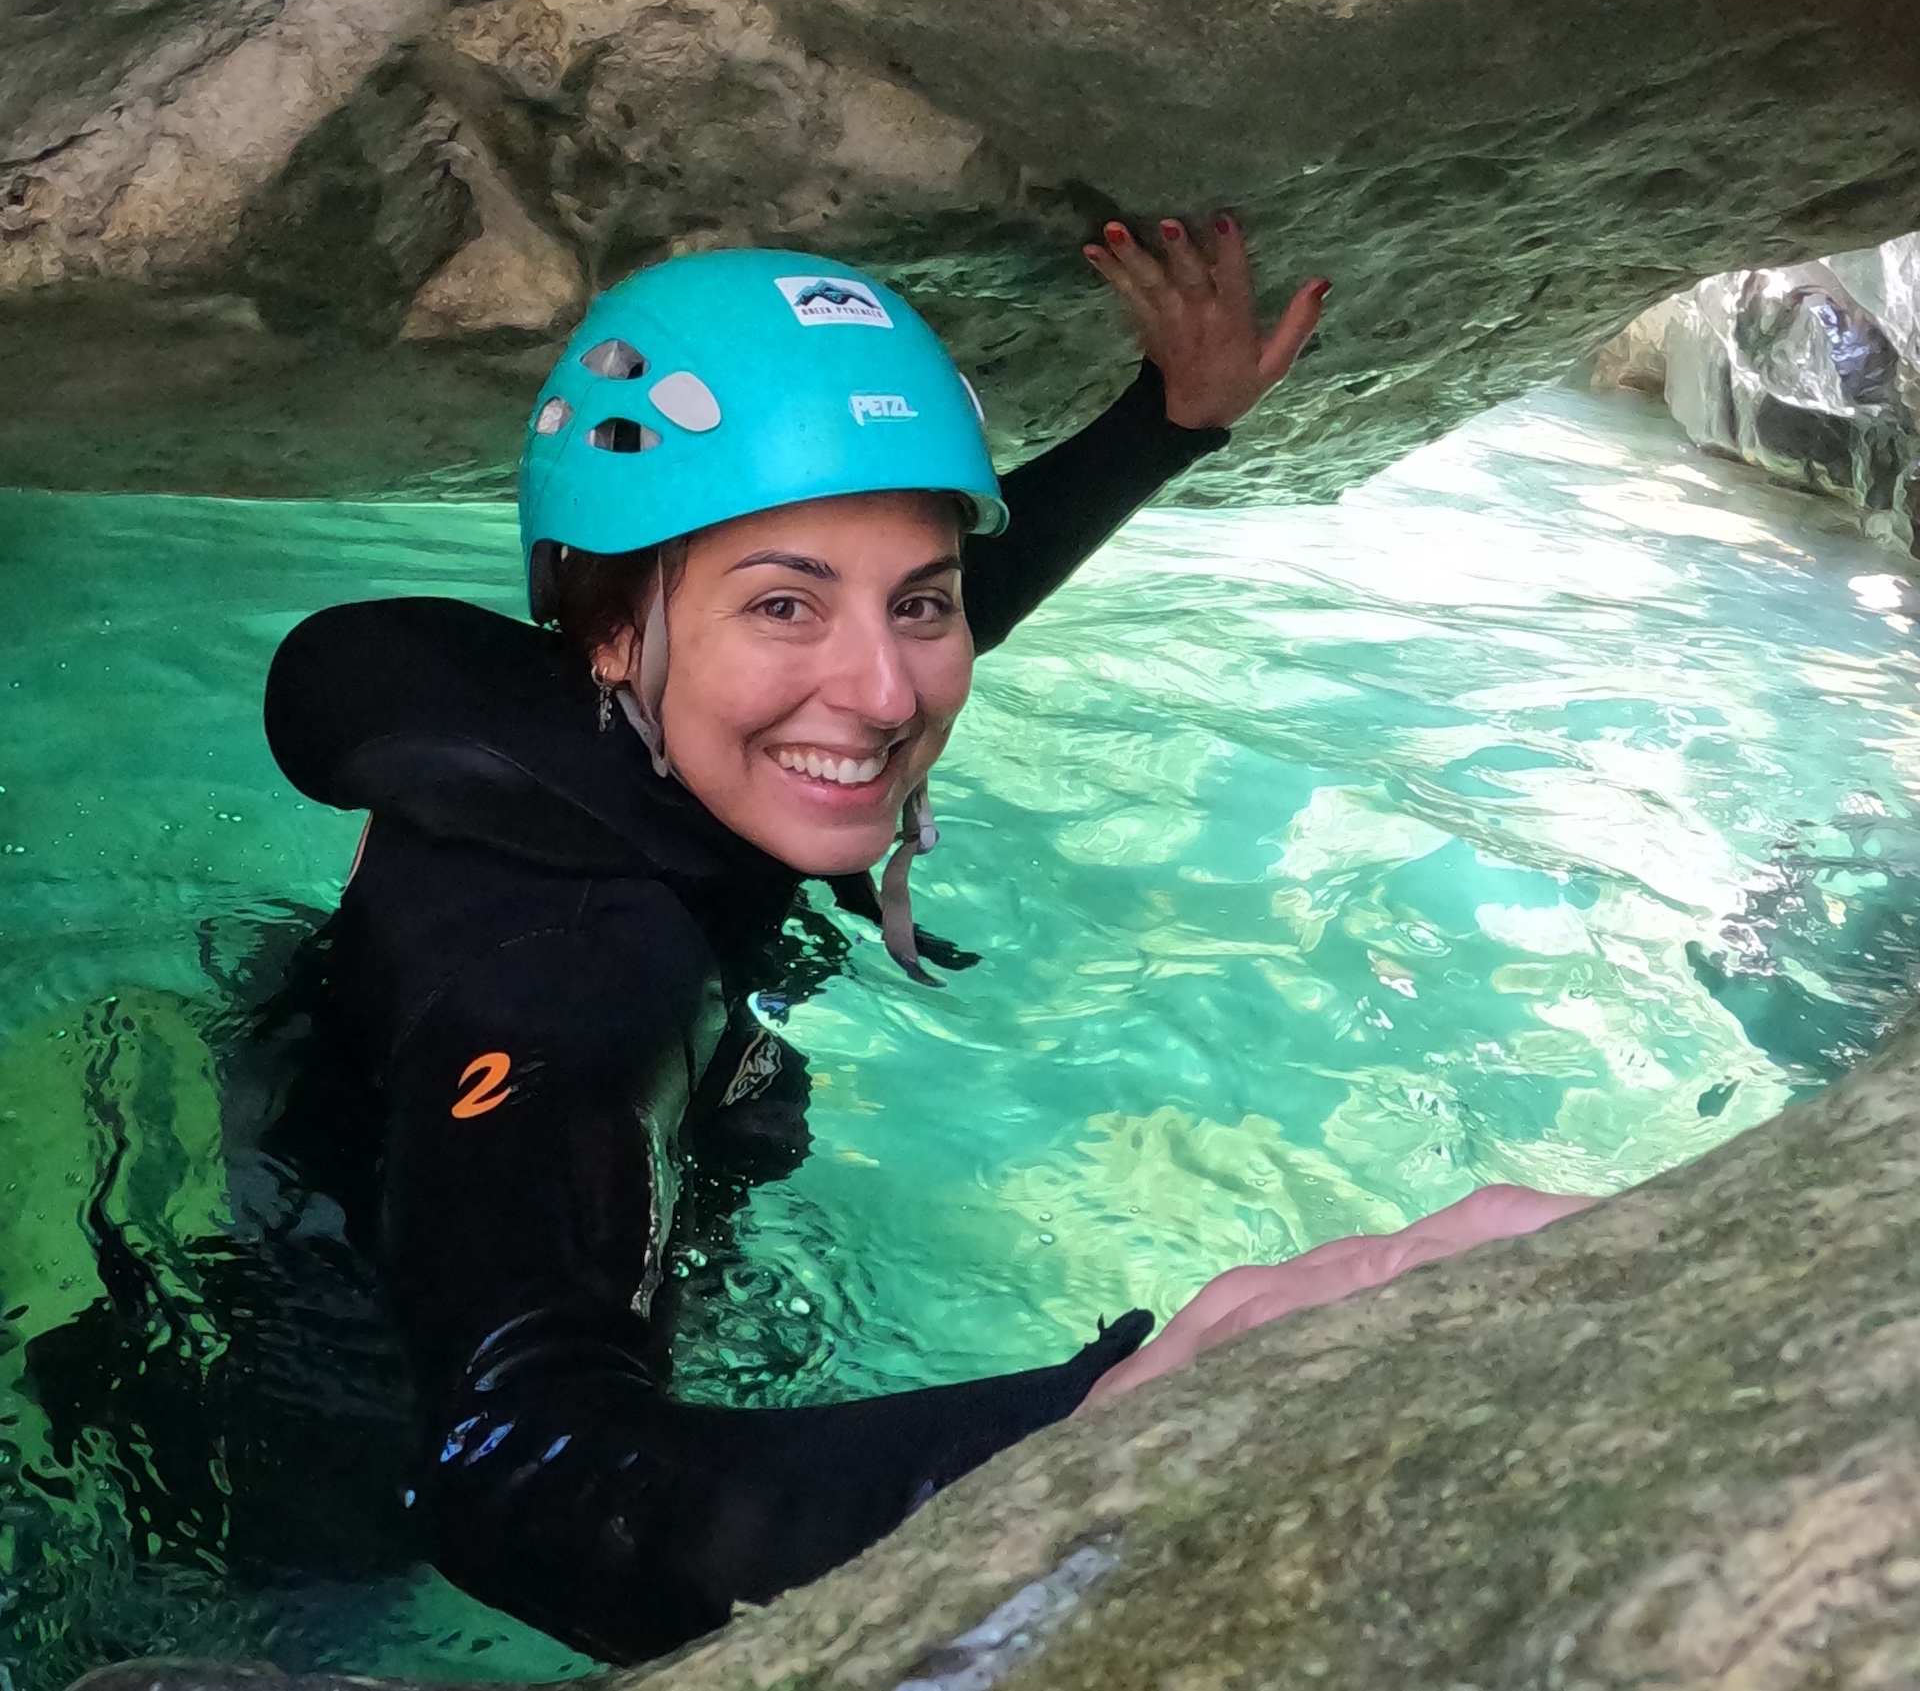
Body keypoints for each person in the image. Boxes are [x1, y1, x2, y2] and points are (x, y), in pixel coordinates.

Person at [264, 219, 1585, 1663]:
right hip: (327, 1358)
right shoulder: (565, 974)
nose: (887, 692)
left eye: (921, 605)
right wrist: (1105, 1425)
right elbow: (514, 1473)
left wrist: (1168, 424)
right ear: (614, 629)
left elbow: (890, 622)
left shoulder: (605, 730)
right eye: (785, 603)